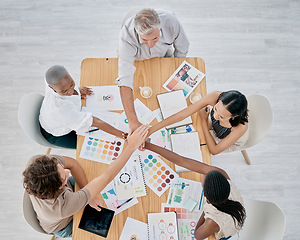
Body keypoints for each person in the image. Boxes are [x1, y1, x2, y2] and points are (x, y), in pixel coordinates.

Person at [22, 125, 150, 238]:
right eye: (64, 179)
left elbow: (73, 164)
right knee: (114, 229)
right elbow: (106, 177)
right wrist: (132, 146)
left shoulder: (38, 164)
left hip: (63, 198)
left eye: (62, 168)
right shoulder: (63, 206)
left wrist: (88, 196)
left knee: (96, 180)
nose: (67, 172)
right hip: (65, 225)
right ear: (58, 188)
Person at [144, 142, 246, 240]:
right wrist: (147, 145)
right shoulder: (221, 174)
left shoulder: (212, 221)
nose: (204, 173)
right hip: (231, 210)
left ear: (205, 195)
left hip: (225, 227)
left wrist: (205, 212)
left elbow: (197, 235)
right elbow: (181, 160)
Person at [116, 8, 189, 133]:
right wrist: (133, 122)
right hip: (137, 59)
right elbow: (125, 78)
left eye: (155, 38)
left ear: (160, 28)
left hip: (164, 56)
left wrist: (176, 72)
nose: (150, 44)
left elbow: (182, 48)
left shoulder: (172, 22)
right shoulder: (126, 35)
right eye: (144, 40)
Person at [39, 65, 127, 149]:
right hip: (56, 134)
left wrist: (76, 90)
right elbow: (96, 122)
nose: (70, 92)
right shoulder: (62, 108)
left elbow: (62, 84)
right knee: (94, 145)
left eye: (71, 84)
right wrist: (123, 135)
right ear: (52, 88)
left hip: (53, 119)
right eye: (64, 91)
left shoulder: (51, 80)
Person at [148, 90, 249, 154]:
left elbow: (214, 150)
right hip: (213, 127)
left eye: (221, 116)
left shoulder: (240, 127)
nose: (214, 115)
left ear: (234, 116)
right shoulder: (215, 96)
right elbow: (182, 115)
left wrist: (203, 121)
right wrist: (150, 130)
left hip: (226, 139)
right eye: (216, 109)